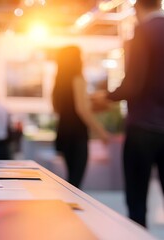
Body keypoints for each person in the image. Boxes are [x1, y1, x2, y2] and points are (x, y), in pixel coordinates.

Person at [92, 0, 164, 227]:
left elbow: (133, 85)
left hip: (142, 129)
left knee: (137, 204)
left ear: (136, 7)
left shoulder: (143, 32)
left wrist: (106, 97)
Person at [52, 46, 109, 189]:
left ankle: (66, 209)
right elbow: (82, 109)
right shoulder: (78, 78)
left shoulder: (59, 82)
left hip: (63, 132)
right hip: (77, 135)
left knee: (71, 179)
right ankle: (69, 210)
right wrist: (101, 132)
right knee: (75, 183)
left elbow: (56, 108)